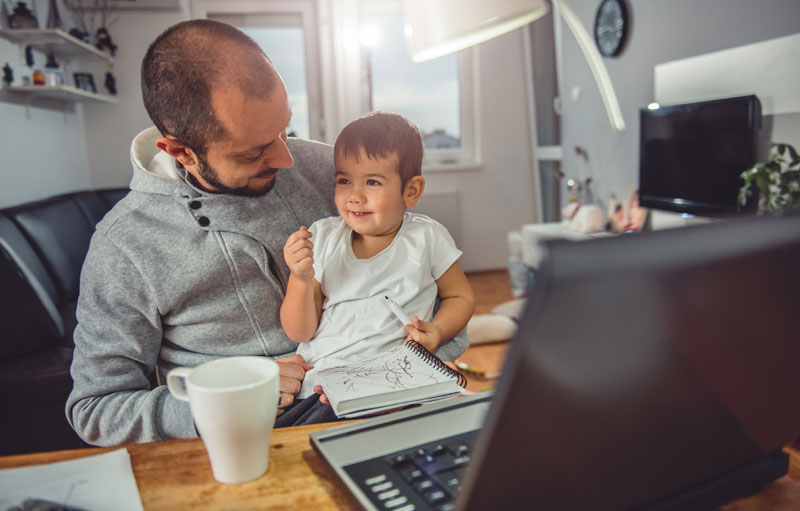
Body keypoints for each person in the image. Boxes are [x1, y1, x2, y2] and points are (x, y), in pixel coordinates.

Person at [65, 20, 470, 446]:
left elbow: (428, 284)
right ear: (181, 152)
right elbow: (96, 409)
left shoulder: (330, 172)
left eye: (285, 130)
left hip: (387, 401)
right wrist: (226, 397)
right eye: (255, 151)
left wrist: (419, 365)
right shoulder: (125, 245)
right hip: (243, 439)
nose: (286, 158)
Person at [281, 112, 475, 397]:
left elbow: (461, 297)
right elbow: (300, 333)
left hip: (398, 377)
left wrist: (438, 331)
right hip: (327, 379)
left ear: (411, 190)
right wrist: (299, 277)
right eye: (344, 181)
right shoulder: (322, 237)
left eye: (372, 182)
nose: (354, 196)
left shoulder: (427, 236)